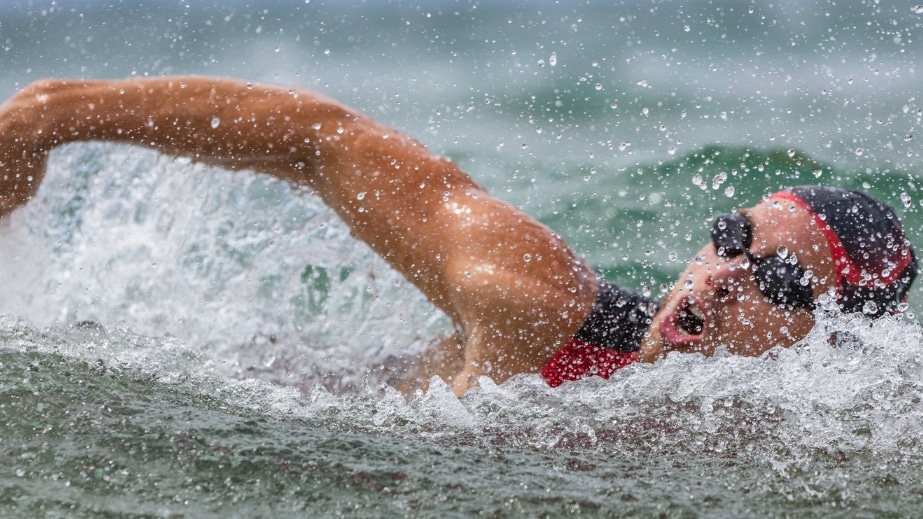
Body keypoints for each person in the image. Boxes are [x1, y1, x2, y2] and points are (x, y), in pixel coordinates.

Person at [0, 77, 917, 396]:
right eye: (731, 237)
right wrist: (49, 117)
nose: (722, 279)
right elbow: (327, 144)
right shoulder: (538, 307)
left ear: (836, 345)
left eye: (784, 287)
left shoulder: (818, 435)